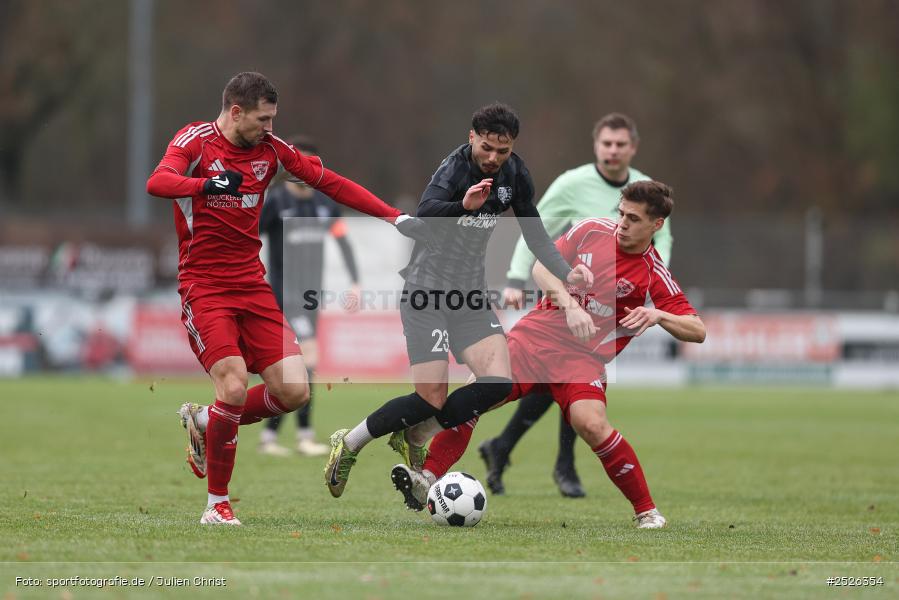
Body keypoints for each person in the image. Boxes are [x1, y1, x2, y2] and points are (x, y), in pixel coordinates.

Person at [146, 72, 431, 525]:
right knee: (234, 385)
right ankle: (216, 504)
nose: (270, 127)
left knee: (296, 390)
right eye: (263, 119)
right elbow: (158, 182)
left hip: (253, 286)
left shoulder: (271, 151)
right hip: (204, 286)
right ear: (236, 112)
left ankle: (206, 422)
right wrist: (204, 186)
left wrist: (394, 217)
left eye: (273, 119)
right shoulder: (196, 141)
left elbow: (331, 183)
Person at [390, 180, 705, 528]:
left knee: (592, 424)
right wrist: (570, 304)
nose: (622, 224)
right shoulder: (590, 230)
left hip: (580, 362)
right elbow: (541, 267)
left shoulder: (652, 272)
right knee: (477, 392)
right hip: (533, 340)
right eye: (621, 214)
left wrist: (659, 314)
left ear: (656, 225)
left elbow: (697, 329)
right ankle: (427, 478)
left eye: (633, 219)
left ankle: (646, 511)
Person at [323, 103, 592, 498]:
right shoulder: (453, 170)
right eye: (486, 148)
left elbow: (534, 234)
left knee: (498, 383)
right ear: (472, 138)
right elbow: (425, 215)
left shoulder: (515, 173)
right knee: (431, 396)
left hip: (470, 295)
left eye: (502, 151)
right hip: (427, 292)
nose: (493, 158)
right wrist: (462, 207)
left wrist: (567, 274)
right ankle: (350, 443)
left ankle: (418, 432)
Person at [483, 113, 672, 498]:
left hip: (610, 305)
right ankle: (561, 466)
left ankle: (505, 447)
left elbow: (660, 247)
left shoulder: (645, 193)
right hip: (566, 294)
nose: (613, 150)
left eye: (621, 144)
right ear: (596, 145)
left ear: (632, 148)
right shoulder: (572, 184)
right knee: (563, 378)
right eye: (607, 143)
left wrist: (652, 288)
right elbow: (537, 229)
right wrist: (516, 278)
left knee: (560, 381)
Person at [257, 135, 360, 457]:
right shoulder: (274, 202)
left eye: (309, 164)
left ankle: (272, 437)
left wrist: (355, 281)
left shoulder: (325, 204)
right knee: (307, 361)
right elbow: (251, 238)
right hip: (283, 294)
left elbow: (342, 241)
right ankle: (301, 435)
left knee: (294, 368)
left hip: (311, 296)